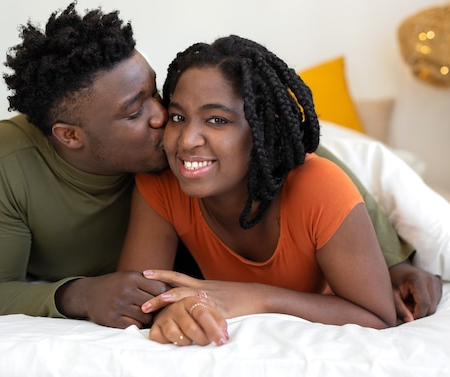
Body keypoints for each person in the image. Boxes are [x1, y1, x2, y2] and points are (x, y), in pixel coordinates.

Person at [0, 2, 440, 331]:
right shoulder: (1, 167)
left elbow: (303, 165)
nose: (165, 119)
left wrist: (392, 258)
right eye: (134, 110)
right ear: (71, 136)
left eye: (155, 94)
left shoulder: (183, 155)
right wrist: (77, 297)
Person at [117, 35, 401, 347]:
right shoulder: (160, 184)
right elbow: (140, 299)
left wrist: (256, 297)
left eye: (216, 120)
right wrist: (175, 309)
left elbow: (378, 316)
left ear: (262, 131)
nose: (186, 140)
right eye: (178, 117)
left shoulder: (321, 188)